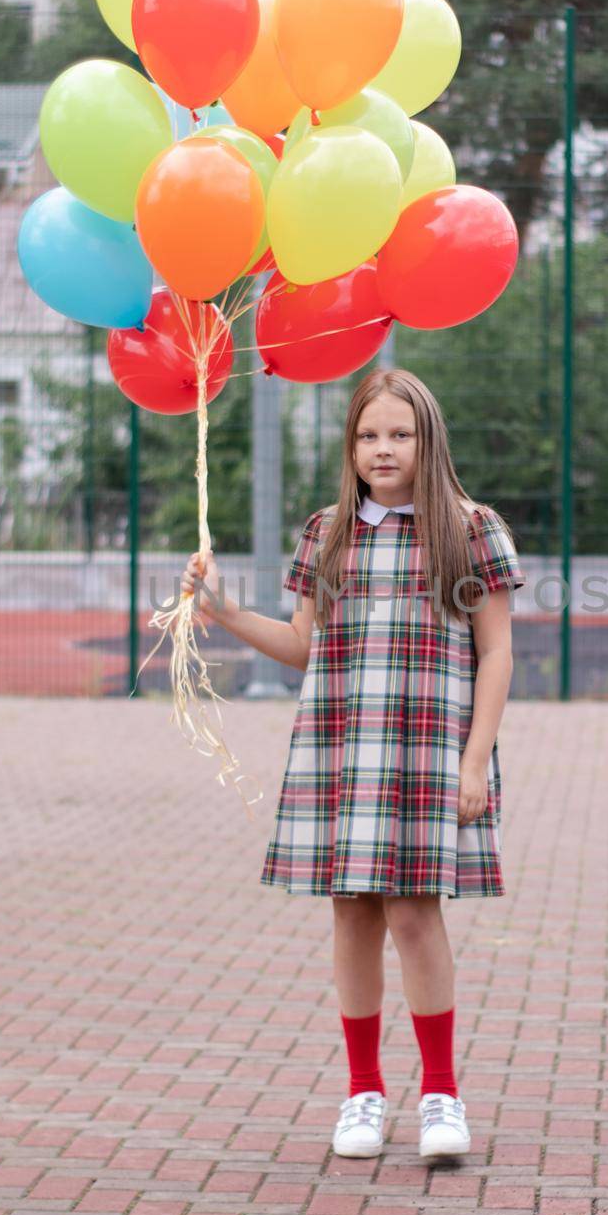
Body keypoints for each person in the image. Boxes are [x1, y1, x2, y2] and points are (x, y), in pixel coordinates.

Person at [181, 367, 524, 1163]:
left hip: (429, 750)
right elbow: (303, 646)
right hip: (345, 749)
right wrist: (223, 611)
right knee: (353, 913)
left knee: (413, 912)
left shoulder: (471, 530)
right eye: (368, 435)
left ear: (426, 440)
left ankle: (441, 1094)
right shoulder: (326, 531)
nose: (382, 448)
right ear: (351, 445)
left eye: (399, 434)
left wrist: (474, 760)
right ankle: (361, 1094)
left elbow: (497, 651)